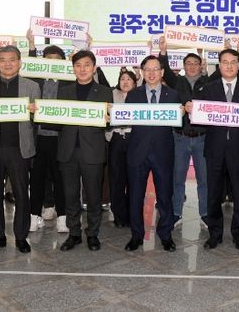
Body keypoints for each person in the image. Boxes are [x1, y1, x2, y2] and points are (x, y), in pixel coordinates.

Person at [187, 48, 239, 251]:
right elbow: (201, 118)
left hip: (238, 149)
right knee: (213, 194)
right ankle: (215, 234)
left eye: (233, 62)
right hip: (214, 149)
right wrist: (192, 111)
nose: (229, 66)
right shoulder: (208, 89)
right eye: (225, 62)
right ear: (219, 65)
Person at [0, 45, 40, 254]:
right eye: (3, 60)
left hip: (19, 149)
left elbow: (38, 120)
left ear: (19, 62)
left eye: (12, 59)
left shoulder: (32, 87)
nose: (7, 64)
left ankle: (21, 237)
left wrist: (35, 112)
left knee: (22, 194)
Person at [56, 50, 113, 252]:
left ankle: (92, 234)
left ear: (94, 68)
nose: (82, 69)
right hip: (68, 151)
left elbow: (108, 123)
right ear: (73, 68)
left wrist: (109, 120)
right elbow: (56, 121)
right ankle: (74, 233)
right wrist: (41, 112)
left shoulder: (105, 92)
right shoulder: (64, 92)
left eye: (87, 65)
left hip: (92, 151)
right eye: (78, 65)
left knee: (93, 196)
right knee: (70, 195)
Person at [124, 55, 180, 252]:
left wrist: (183, 113)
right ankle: (136, 235)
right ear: (142, 72)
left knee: (165, 196)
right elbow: (125, 118)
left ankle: (165, 234)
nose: (151, 73)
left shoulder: (173, 95)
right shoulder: (133, 95)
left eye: (155, 69)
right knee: (135, 196)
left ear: (162, 72)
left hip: (163, 152)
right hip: (137, 151)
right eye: (147, 69)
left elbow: (179, 124)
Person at [158, 38, 209, 230]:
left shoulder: (208, 83)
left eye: (196, 63)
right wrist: (163, 52)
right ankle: (176, 213)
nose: (192, 66)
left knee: (204, 180)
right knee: (177, 179)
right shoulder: (176, 81)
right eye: (188, 63)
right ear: (184, 66)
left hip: (202, 138)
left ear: (201, 66)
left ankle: (205, 214)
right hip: (180, 138)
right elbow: (165, 69)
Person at [25, 30, 72, 234]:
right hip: (38, 138)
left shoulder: (68, 83)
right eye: (48, 59)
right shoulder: (36, 81)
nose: (52, 63)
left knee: (60, 179)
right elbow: (30, 68)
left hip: (60, 139)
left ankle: (63, 217)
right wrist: (32, 45)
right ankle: (35, 215)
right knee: (36, 179)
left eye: (57, 60)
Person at [105, 69, 137, 228]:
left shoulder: (139, 96)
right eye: (123, 79)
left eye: (129, 79)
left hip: (133, 139)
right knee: (116, 178)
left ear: (135, 82)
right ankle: (118, 214)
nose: (125, 82)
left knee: (133, 179)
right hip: (116, 138)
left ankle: (131, 214)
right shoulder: (111, 94)